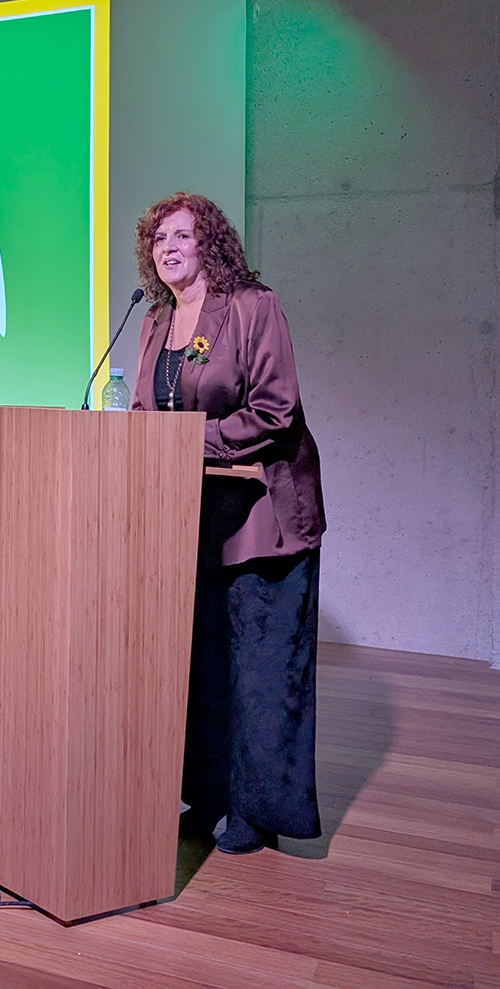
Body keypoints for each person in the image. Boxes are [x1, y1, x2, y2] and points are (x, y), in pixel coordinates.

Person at [130, 192, 325, 855]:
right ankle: (208, 793)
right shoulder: (156, 319)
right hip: (193, 518)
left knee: (261, 672)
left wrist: (188, 442)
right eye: (159, 239)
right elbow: (145, 412)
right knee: (204, 665)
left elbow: (275, 410)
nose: (168, 248)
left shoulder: (251, 307)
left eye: (182, 236)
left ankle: (258, 812)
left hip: (263, 517)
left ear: (209, 243)